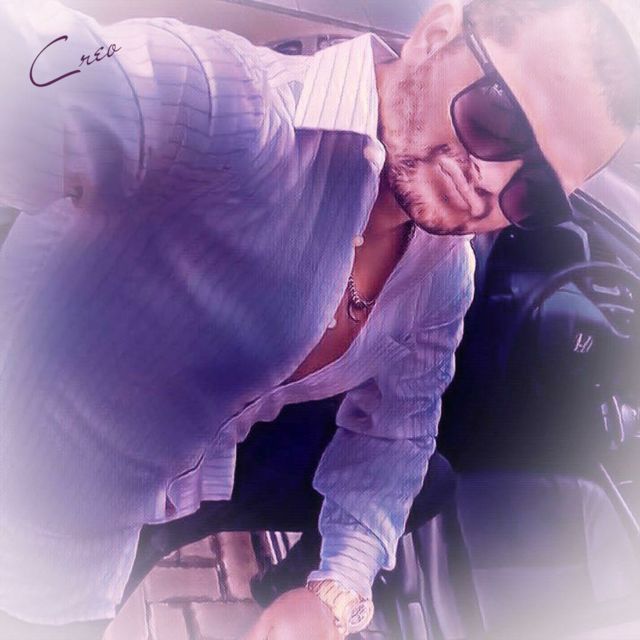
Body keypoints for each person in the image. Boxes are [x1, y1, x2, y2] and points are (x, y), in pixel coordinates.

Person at [0, 0, 637, 638]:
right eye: (500, 115)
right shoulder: (225, 103)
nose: (492, 182)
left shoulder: (444, 276)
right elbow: (41, 77)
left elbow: (396, 439)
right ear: (436, 36)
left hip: (124, 530)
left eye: (537, 188)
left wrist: (335, 592)